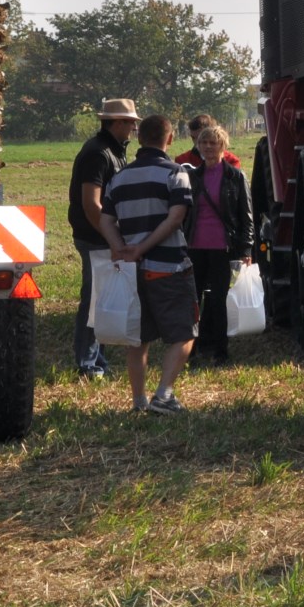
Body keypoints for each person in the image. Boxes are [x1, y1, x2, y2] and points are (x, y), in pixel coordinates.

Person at [98, 114, 198, 414]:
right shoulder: (176, 173)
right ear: (170, 138)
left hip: (133, 271)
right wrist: (142, 248)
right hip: (169, 267)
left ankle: (138, 401)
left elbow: (105, 221)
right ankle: (164, 395)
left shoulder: (119, 178)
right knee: (184, 333)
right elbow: (176, 218)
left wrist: (121, 249)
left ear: (139, 138)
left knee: (137, 338)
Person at [67, 98, 139, 380]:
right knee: (95, 300)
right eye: (130, 122)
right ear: (117, 123)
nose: (134, 127)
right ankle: (88, 365)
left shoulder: (111, 150)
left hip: (101, 236)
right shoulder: (98, 153)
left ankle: (97, 360)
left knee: (102, 298)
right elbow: (91, 204)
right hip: (95, 237)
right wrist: (113, 238)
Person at [183, 121, 251, 365]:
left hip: (223, 247)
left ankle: (220, 351)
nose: (208, 147)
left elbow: (246, 216)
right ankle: (191, 351)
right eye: (204, 142)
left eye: (213, 143)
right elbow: (184, 214)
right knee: (193, 301)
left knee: (219, 300)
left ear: (223, 146)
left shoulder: (235, 176)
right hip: (195, 247)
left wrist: (246, 248)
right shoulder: (192, 176)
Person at [177, 113, 242, 169]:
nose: (197, 142)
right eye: (193, 138)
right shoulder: (183, 161)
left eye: (202, 138)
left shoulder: (231, 161)